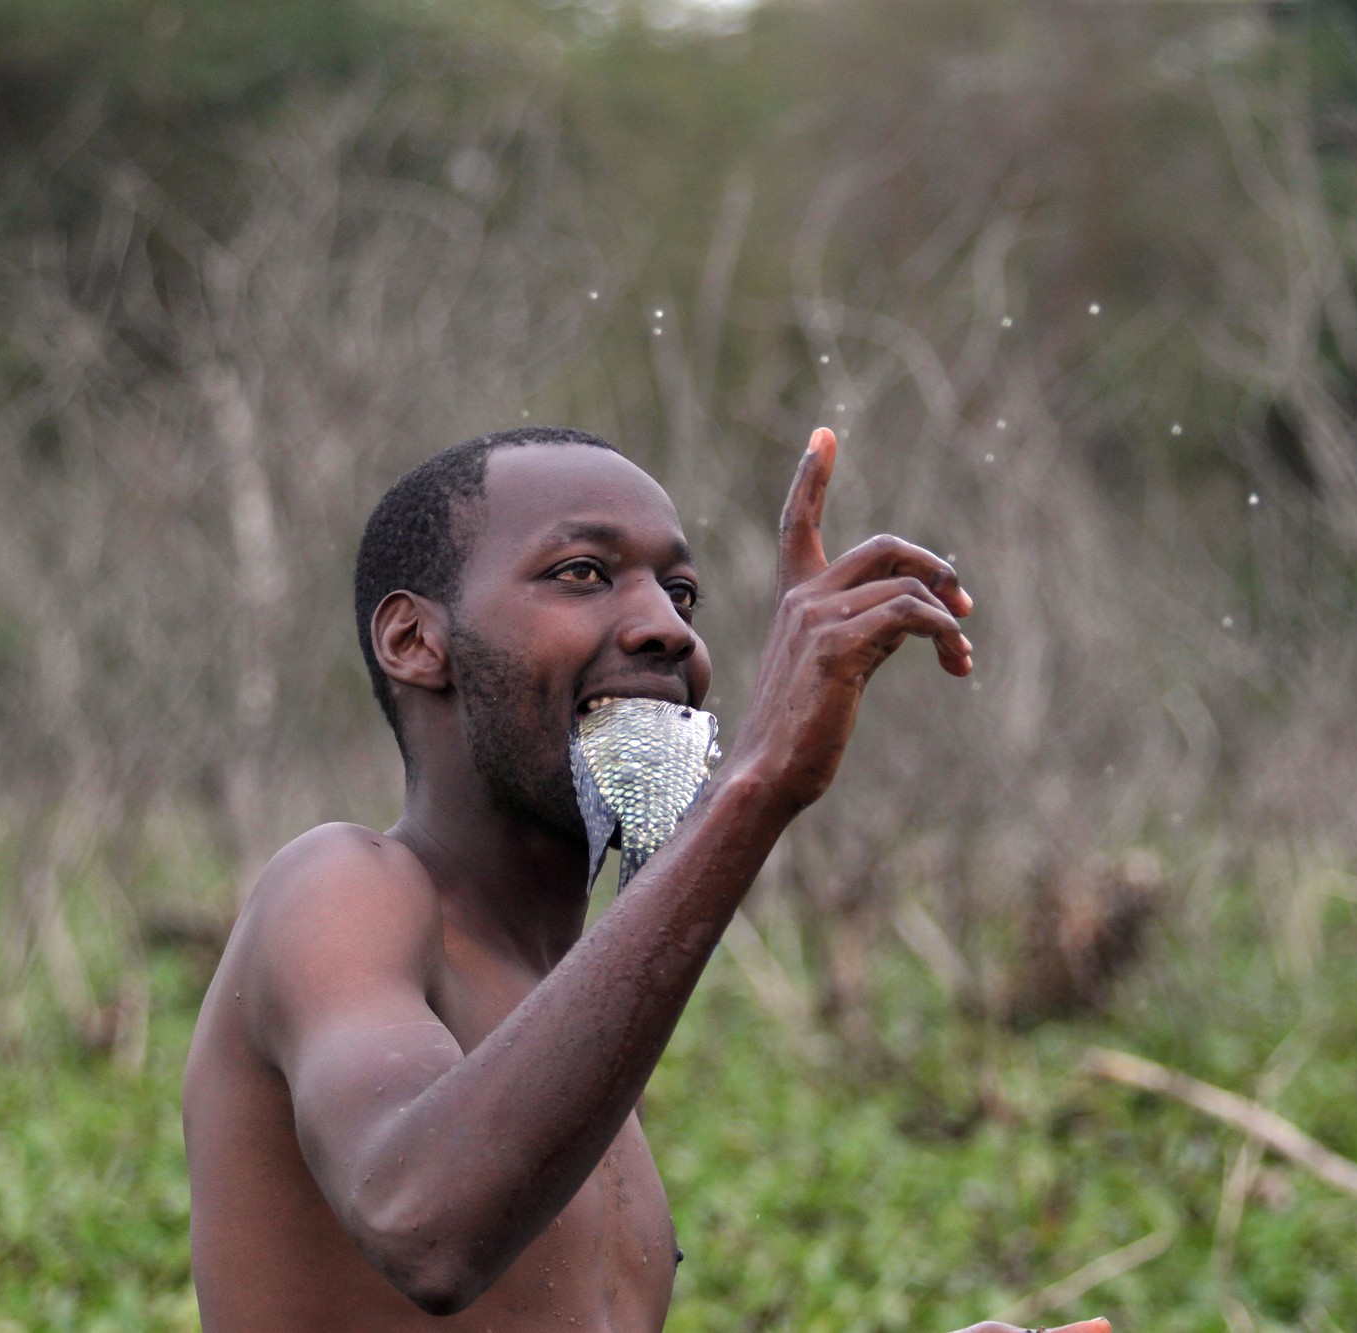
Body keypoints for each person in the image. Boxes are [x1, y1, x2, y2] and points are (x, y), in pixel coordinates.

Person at [183, 424, 1111, 1333]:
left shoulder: (568, 1014)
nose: (667, 628)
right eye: (582, 573)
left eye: (682, 593)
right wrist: (759, 779)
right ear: (416, 640)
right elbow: (422, 1224)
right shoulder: (342, 889)